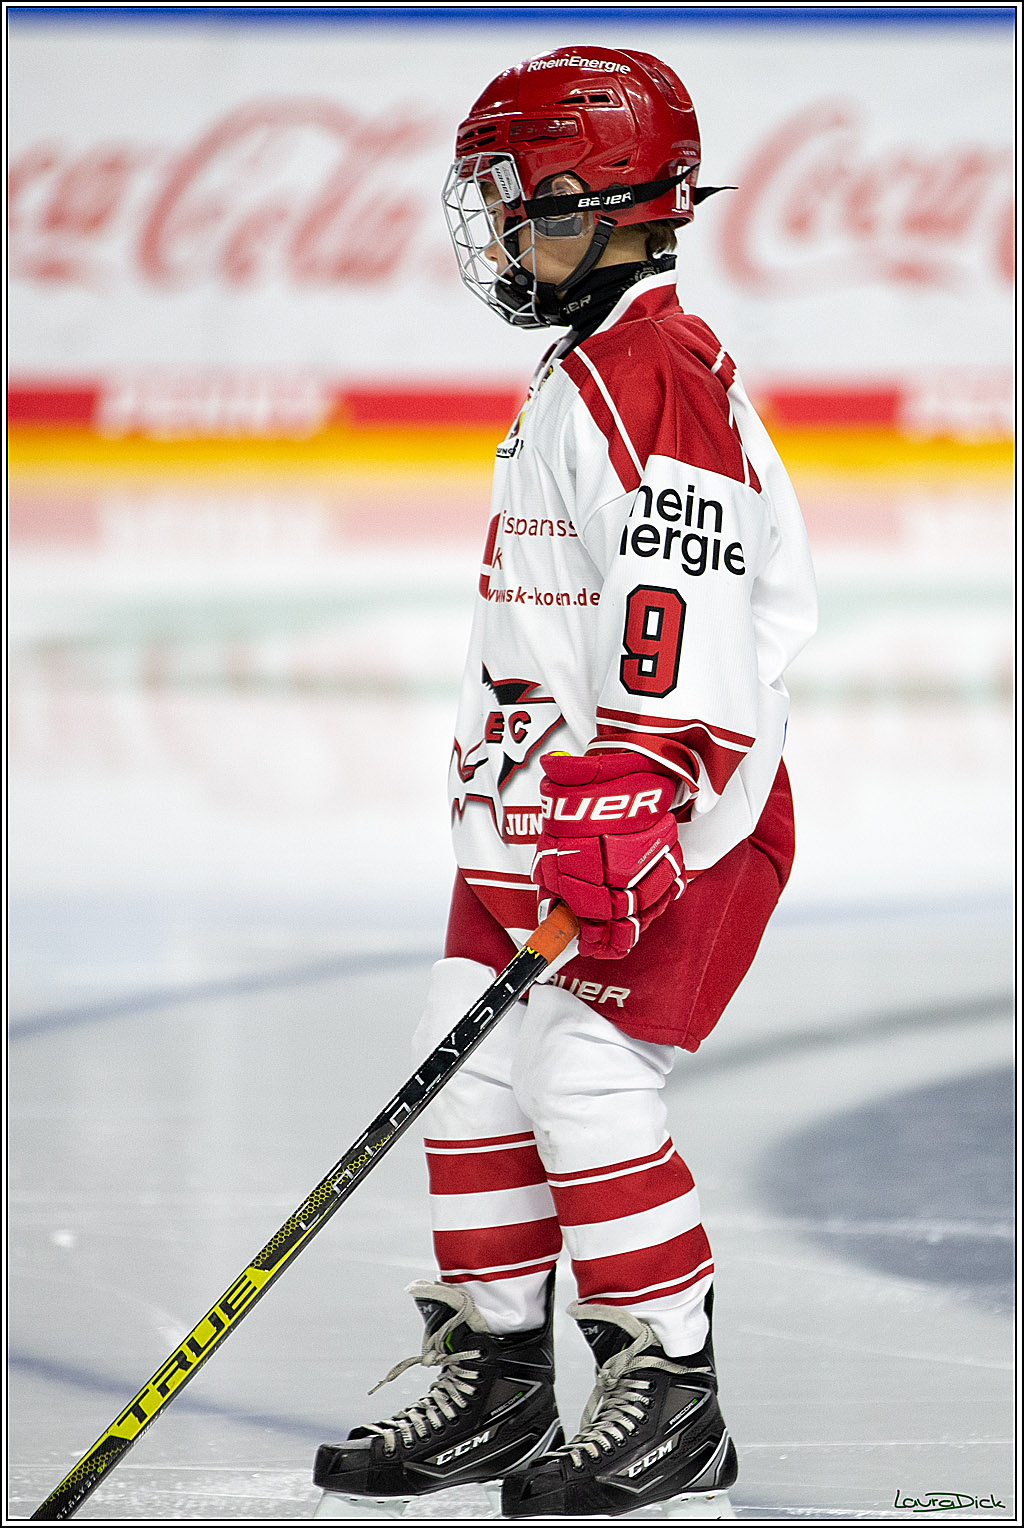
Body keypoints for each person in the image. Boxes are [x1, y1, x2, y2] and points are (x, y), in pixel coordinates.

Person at [313, 45, 816, 1521]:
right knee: (465, 1069)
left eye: (512, 201)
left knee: (585, 1078)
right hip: (547, 816)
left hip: (670, 820)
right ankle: (503, 1367)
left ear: (593, 200)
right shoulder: (582, 369)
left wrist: (640, 776)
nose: (495, 232)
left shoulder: (659, 376)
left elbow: (686, 600)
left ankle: (671, 1383)